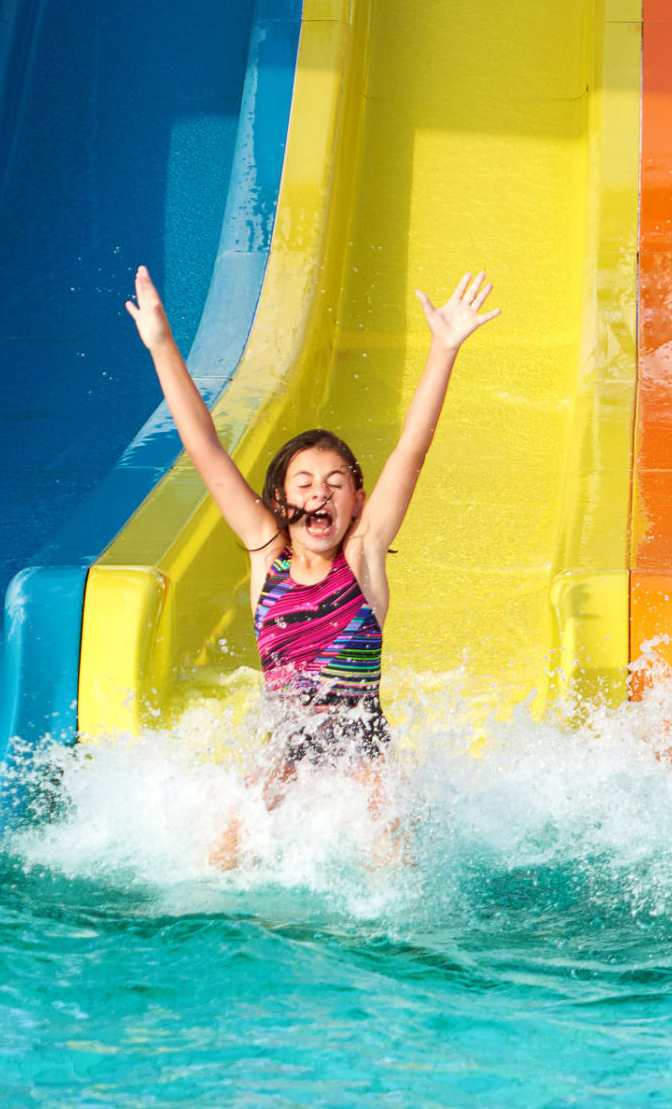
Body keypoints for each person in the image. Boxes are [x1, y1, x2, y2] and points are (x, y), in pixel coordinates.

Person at [124, 264, 498, 864]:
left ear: (358, 502)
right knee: (225, 844)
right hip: (284, 745)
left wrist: (443, 349)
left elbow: (412, 450)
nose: (320, 493)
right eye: (304, 482)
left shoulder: (362, 557)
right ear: (281, 501)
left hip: (362, 748)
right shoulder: (266, 557)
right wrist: (163, 345)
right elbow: (204, 448)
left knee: (387, 842)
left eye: (336, 483)